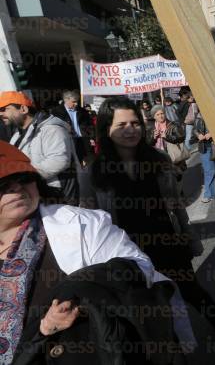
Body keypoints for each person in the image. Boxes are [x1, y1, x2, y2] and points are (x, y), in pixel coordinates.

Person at [0, 140, 166, 364]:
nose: (17, 188)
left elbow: (140, 268)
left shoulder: (83, 224)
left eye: (23, 178)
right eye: (3, 185)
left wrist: (80, 291)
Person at [78, 97, 202, 305]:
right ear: (107, 129)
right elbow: (90, 220)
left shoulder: (159, 158)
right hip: (128, 254)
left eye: (135, 123)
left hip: (169, 244)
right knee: (152, 310)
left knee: (194, 295)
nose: (130, 130)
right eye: (121, 125)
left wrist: (189, 234)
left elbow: (176, 203)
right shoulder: (92, 171)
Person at [0, 91, 78, 204]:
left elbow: (59, 161)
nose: (0, 114)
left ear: (23, 109)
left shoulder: (51, 129)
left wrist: (25, 175)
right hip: (38, 195)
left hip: (58, 196)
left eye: (4, 109)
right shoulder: (17, 135)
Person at [51, 90, 94, 164]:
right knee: (69, 163)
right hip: (68, 141)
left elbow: (89, 125)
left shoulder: (82, 111)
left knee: (83, 162)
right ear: (66, 100)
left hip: (82, 140)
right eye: (73, 101)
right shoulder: (56, 112)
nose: (76, 104)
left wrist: (91, 137)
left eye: (77, 101)